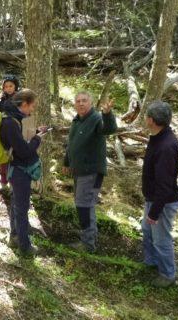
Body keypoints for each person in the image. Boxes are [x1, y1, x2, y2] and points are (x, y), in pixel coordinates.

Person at [63, 92, 117, 253]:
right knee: (85, 204)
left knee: (83, 205)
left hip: (91, 171)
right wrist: (67, 162)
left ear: (91, 103)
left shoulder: (96, 118)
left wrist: (107, 114)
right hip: (78, 170)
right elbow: (71, 144)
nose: (80, 104)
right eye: (78, 101)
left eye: (84, 101)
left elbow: (109, 129)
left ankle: (87, 243)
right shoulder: (77, 120)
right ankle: (89, 236)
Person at [0, 89, 47, 256]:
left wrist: (35, 132)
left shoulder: (17, 119)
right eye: (31, 106)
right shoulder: (10, 123)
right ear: (24, 104)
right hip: (19, 170)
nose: (32, 110)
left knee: (16, 204)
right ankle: (25, 247)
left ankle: (14, 237)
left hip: (20, 168)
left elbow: (20, 141)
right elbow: (24, 151)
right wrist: (38, 139)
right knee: (21, 208)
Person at [141, 101, 178, 288]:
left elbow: (165, 185)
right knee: (147, 231)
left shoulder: (166, 146)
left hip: (162, 203)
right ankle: (152, 263)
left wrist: (154, 213)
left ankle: (167, 274)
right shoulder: (158, 137)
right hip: (153, 199)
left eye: (147, 116)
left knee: (161, 239)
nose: (145, 119)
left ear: (151, 120)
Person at [0, 75, 20, 187]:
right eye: (6, 86)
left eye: (11, 86)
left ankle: (14, 181)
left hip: (16, 131)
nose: (8, 88)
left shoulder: (20, 98)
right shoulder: (0, 100)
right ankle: (3, 180)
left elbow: (23, 113)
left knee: (15, 155)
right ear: (3, 87)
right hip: (2, 132)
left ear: (15, 86)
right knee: (4, 156)